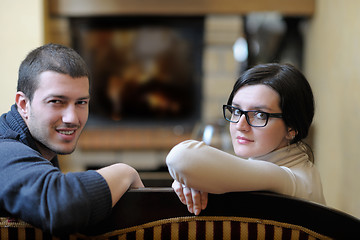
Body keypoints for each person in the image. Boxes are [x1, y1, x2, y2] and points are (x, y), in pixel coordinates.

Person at [0, 44, 144, 235]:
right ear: (24, 104)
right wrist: (126, 172)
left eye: (81, 103)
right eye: (56, 102)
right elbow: (59, 207)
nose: (72, 118)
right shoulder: (5, 147)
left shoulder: (39, 145)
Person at [166, 63, 325, 216]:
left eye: (259, 115)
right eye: (236, 111)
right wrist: (190, 180)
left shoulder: (289, 178)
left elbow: (181, 158)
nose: (240, 125)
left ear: (291, 127)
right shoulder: (302, 170)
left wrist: (188, 176)